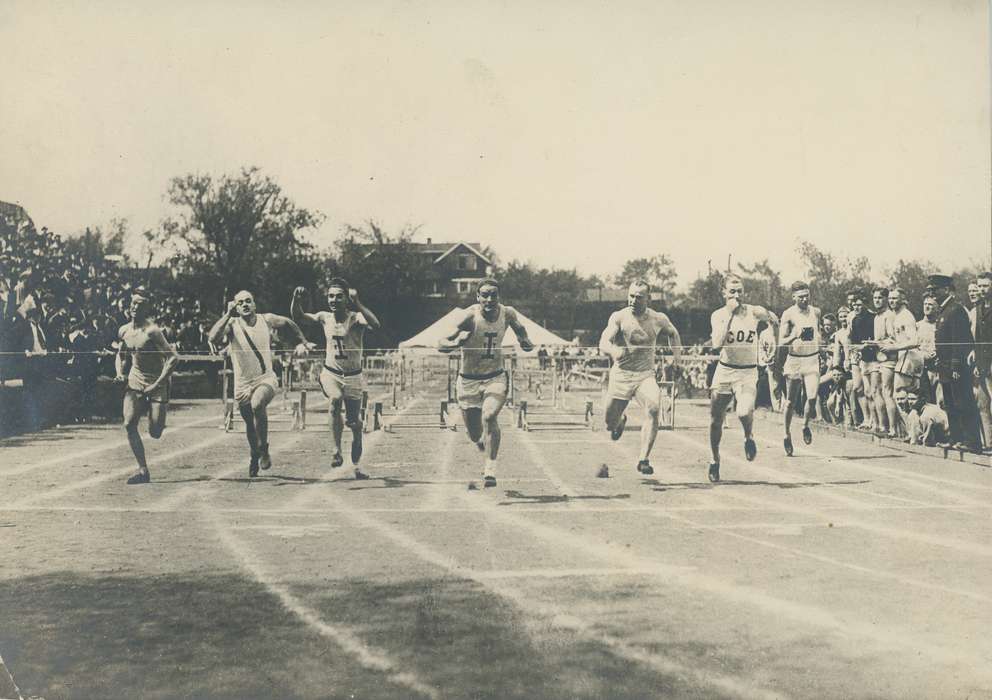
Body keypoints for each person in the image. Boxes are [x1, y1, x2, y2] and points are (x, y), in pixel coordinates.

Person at [438, 278, 534, 488]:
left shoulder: (508, 313)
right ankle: (482, 442)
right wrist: (456, 343)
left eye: (494, 295)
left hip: (495, 376)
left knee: (490, 416)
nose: (490, 299)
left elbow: (522, 332)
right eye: (485, 295)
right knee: (474, 434)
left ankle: (490, 470)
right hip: (468, 381)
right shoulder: (469, 316)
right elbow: (441, 344)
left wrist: (525, 341)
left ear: (499, 297)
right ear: (478, 297)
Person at [209, 290, 313, 477]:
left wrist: (303, 341)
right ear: (236, 307)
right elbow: (212, 338)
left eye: (248, 301)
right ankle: (254, 453)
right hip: (242, 384)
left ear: (255, 304)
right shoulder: (232, 324)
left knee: (258, 404)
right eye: (240, 303)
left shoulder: (267, 319)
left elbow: (289, 322)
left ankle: (264, 449)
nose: (245, 305)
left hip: (266, 378)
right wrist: (227, 314)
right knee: (249, 423)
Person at [291, 280, 381, 479]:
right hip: (331, 373)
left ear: (346, 298)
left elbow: (376, 324)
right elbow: (299, 317)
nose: (334, 300)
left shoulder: (356, 318)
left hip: (353, 376)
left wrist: (358, 303)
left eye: (339, 296)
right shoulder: (324, 317)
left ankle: (357, 458)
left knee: (353, 422)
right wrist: (296, 300)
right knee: (335, 400)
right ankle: (336, 451)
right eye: (331, 296)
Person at [598, 280, 682, 475]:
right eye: (631, 295)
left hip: (645, 375)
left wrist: (677, 359)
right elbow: (603, 340)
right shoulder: (619, 317)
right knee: (609, 423)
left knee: (654, 408)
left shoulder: (658, 319)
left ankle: (643, 459)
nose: (634, 300)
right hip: (621, 376)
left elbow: (674, 333)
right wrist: (612, 351)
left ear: (648, 299)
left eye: (639, 297)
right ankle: (620, 421)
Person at [707, 274, 778, 482]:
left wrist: (772, 331)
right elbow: (717, 344)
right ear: (724, 293)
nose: (736, 295)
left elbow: (772, 318)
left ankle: (748, 436)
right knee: (715, 419)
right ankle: (714, 459)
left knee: (744, 411)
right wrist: (730, 314)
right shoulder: (718, 315)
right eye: (732, 291)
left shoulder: (753, 312)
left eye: (739, 291)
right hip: (725, 370)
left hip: (747, 371)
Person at [115, 288, 179, 484]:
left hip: (157, 381)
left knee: (155, 432)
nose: (135, 307)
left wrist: (158, 384)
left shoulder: (153, 331)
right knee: (129, 424)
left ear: (147, 308)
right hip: (135, 380)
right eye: (134, 303)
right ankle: (143, 470)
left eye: (141, 305)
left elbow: (173, 358)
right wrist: (119, 372)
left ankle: (158, 413)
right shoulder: (124, 330)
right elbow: (121, 354)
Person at [928, 274, 982, 452]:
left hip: (955, 367)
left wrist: (956, 366)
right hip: (944, 367)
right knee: (950, 404)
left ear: (945, 289)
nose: (932, 293)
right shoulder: (944, 310)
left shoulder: (956, 310)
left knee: (963, 402)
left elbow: (960, 342)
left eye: (935, 290)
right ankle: (956, 439)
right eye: (931, 290)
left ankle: (972, 442)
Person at [778, 281, 822, 455]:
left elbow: (818, 333)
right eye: (801, 296)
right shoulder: (788, 314)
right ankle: (786, 433)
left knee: (812, 398)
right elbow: (781, 341)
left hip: (812, 360)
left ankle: (805, 425)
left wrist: (819, 339)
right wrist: (794, 336)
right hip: (795, 361)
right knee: (791, 400)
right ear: (794, 297)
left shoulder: (816, 312)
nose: (805, 299)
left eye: (807, 296)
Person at [877, 288, 918, 438]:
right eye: (890, 298)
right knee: (901, 395)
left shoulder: (907, 317)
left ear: (903, 299)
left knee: (899, 395)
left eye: (895, 298)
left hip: (909, 359)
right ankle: (909, 432)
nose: (891, 301)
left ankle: (911, 432)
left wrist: (894, 346)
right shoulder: (898, 316)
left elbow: (914, 341)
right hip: (903, 358)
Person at [847, 293, 875, 430]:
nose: (855, 307)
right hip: (858, 356)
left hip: (871, 358)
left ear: (865, 304)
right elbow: (853, 341)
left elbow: (872, 341)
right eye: (854, 304)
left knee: (870, 390)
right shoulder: (854, 319)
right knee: (858, 388)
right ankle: (866, 418)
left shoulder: (872, 318)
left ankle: (874, 420)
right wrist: (854, 352)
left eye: (858, 304)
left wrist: (862, 348)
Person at [974, 272, 992, 450]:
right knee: (983, 404)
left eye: (985, 286)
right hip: (982, 364)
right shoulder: (979, 307)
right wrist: (978, 362)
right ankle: (989, 444)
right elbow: (978, 337)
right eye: (980, 286)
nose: (982, 289)